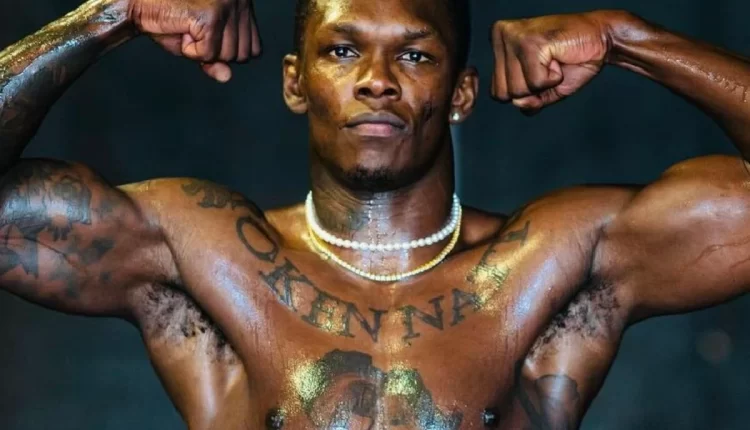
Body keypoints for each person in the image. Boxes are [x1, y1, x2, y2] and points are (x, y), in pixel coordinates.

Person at [2, 0, 750, 428]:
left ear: (460, 94)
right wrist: (113, 13)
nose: (377, 81)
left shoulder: (557, 262)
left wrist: (627, 39)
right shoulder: (199, 254)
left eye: (415, 56)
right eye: (341, 51)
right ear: (295, 83)